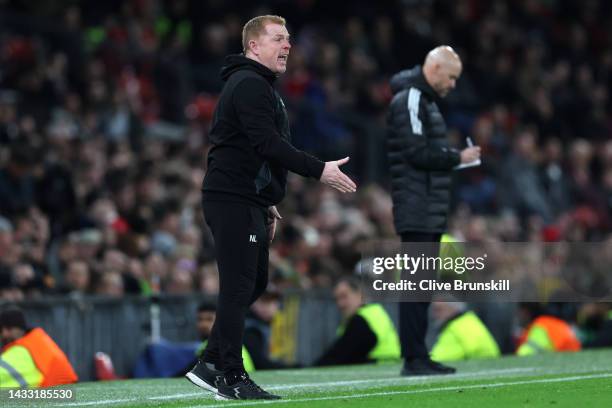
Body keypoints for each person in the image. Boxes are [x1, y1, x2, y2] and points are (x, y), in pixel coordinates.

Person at [186, 15, 356, 400]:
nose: (288, 46)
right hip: (232, 198)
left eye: (289, 39)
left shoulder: (256, 85)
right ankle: (229, 375)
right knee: (238, 286)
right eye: (279, 38)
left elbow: (254, 149)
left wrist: (266, 200)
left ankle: (210, 362)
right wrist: (319, 170)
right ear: (253, 47)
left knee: (254, 282)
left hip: (244, 197)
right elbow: (267, 144)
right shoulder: (249, 84)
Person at [386, 46, 481, 376]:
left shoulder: (421, 101)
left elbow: (421, 149)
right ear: (436, 68)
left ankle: (418, 354)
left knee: (421, 283)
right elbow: (415, 150)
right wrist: (458, 157)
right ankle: (413, 358)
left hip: (426, 204)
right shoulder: (410, 98)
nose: (453, 84)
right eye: (451, 77)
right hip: (417, 204)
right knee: (416, 283)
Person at [315, 277, 400, 366]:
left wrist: (313, 366)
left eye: (344, 296)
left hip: (379, 366)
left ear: (359, 294)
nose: (340, 304)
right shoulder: (374, 312)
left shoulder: (361, 319)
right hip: (387, 365)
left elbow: (340, 354)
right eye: (337, 299)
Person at [0, 307, 78, 388]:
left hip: (53, 393)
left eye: (5, 329)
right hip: (65, 389)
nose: (4, 334)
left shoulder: (21, 351)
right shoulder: (37, 339)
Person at [429, 301, 500, 362]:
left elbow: (440, 358)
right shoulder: (464, 322)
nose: (435, 315)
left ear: (452, 308)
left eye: (438, 310)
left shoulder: (461, 325)